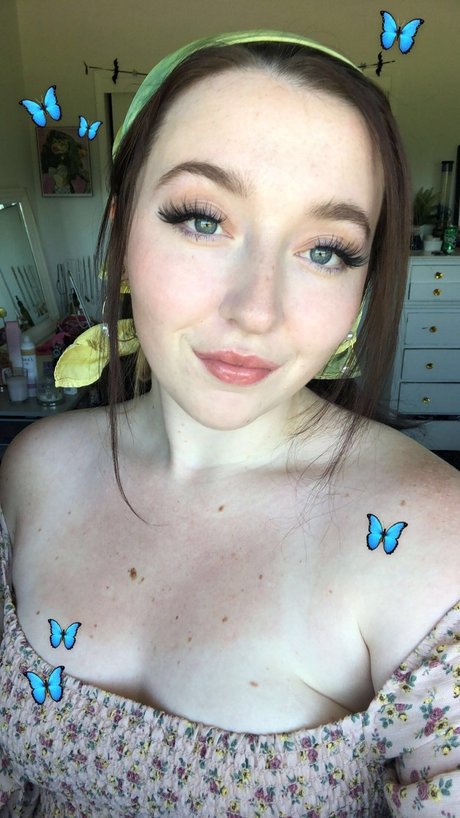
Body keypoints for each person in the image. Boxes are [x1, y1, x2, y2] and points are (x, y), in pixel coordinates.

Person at [0, 29, 459, 817]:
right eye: (202, 219)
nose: (257, 311)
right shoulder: (32, 472)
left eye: (327, 250)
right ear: (122, 231)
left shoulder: (436, 544)